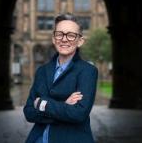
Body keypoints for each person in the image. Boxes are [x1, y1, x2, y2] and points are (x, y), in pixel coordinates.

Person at [23, 13, 98, 143]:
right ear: (53, 38)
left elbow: (79, 114)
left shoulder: (88, 71)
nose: (64, 39)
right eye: (59, 34)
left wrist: (42, 104)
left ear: (80, 41)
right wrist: (64, 106)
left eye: (71, 35)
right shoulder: (42, 71)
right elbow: (29, 112)